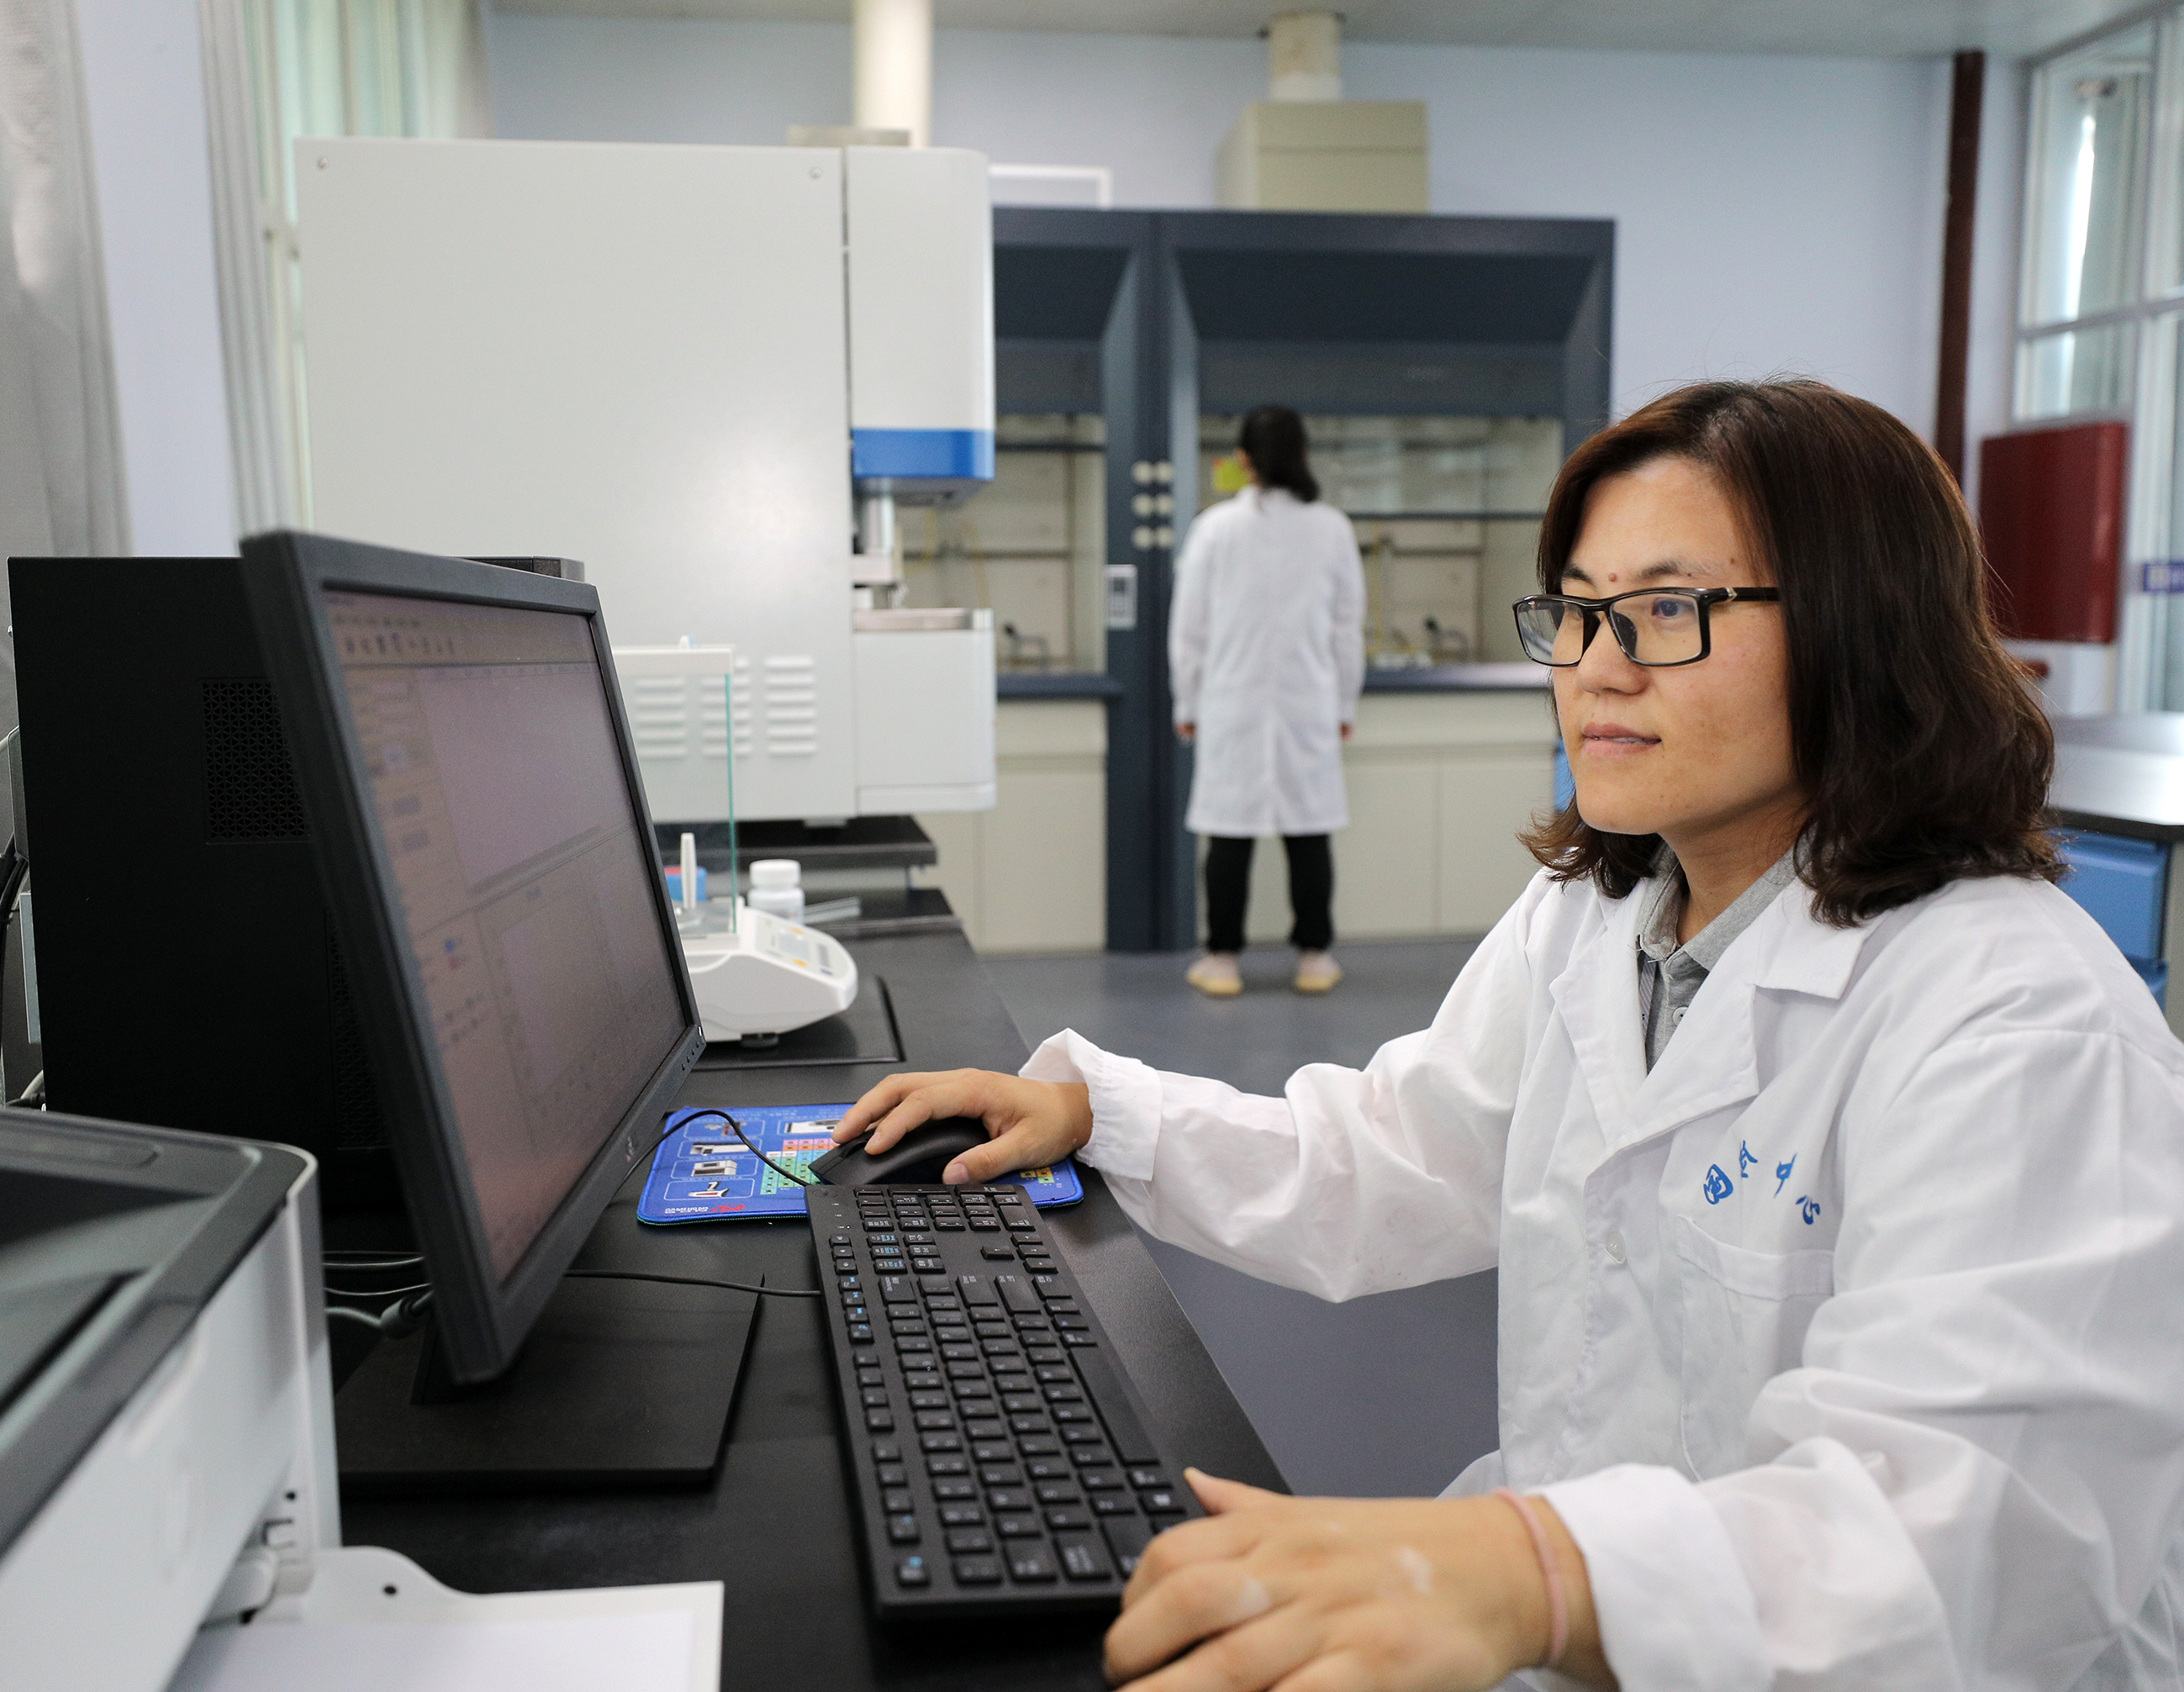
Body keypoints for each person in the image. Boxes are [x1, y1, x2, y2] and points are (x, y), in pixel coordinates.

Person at [829, 379, 2184, 1691]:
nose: (1594, 666)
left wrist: (1534, 1570)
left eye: (1663, 610)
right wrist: (1101, 1113)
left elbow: (1969, 1531)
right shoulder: (1599, 913)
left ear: (1859, 630)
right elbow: (1401, 1149)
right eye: (1578, 612)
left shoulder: (2015, 1021)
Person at [1172, 405, 1365, 999]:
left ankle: (1221, 960)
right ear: (1303, 455)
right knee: (1309, 834)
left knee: (1228, 838)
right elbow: (1346, 629)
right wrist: (1344, 706)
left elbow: (1189, 629)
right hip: (1309, 703)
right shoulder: (1331, 528)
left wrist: (1187, 703)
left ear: (1244, 460)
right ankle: (1314, 957)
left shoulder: (1214, 529)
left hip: (1230, 703)